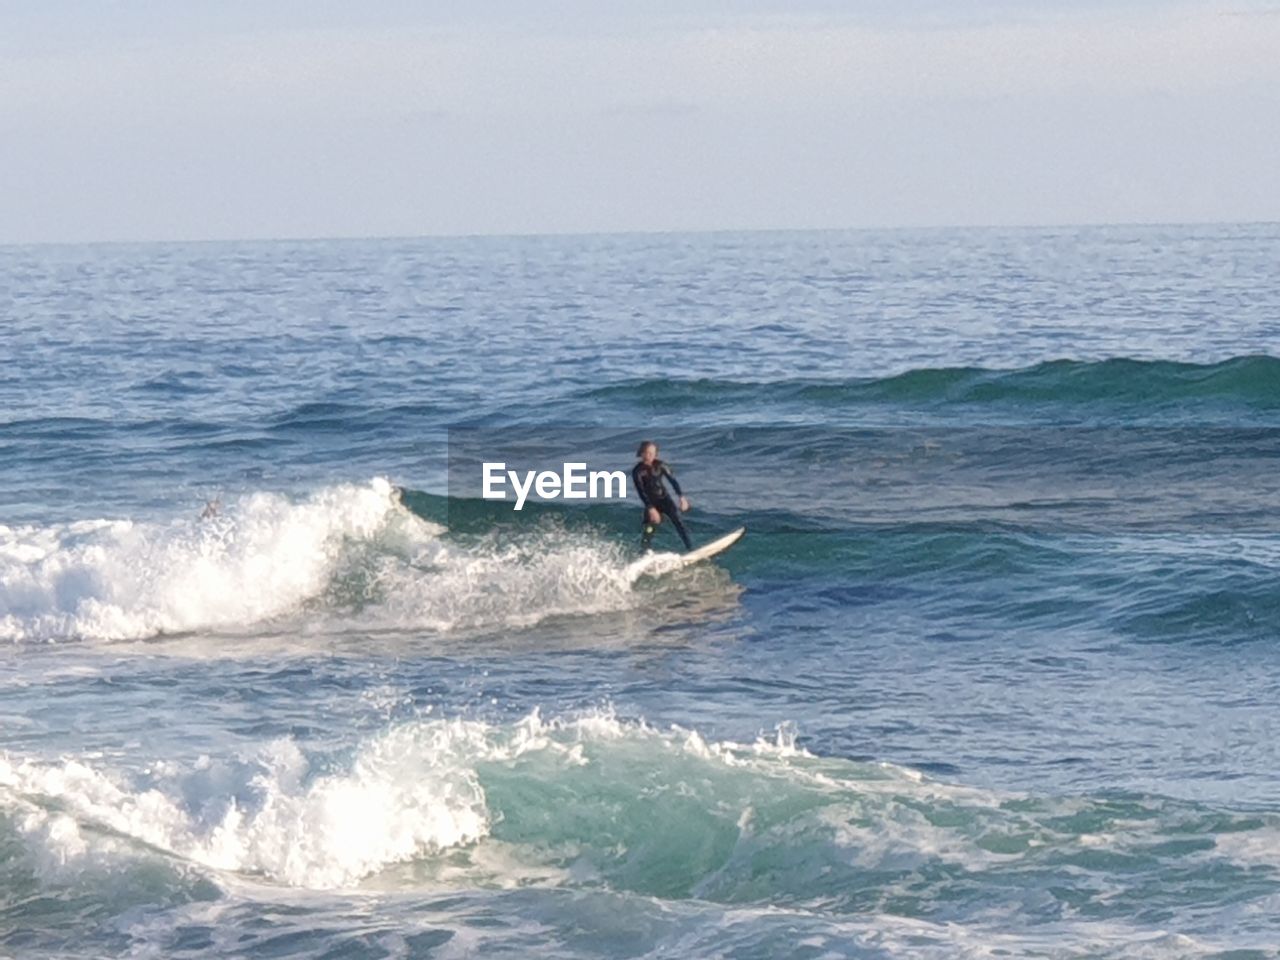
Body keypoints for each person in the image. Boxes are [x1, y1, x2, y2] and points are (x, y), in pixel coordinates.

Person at [632, 440, 692, 551]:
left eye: (652, 453)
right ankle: (644, 552)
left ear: (656, 454)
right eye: (647, 453)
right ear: (641, 453)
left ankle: (691, 549)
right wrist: (650, 508)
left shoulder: (660, 465)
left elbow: (673, 481)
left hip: (665, 499)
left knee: (679, 522)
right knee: (649, 528)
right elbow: (641, 491)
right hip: (651, 503)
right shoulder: (637, 471)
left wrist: (681, 497)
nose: (650, 456)